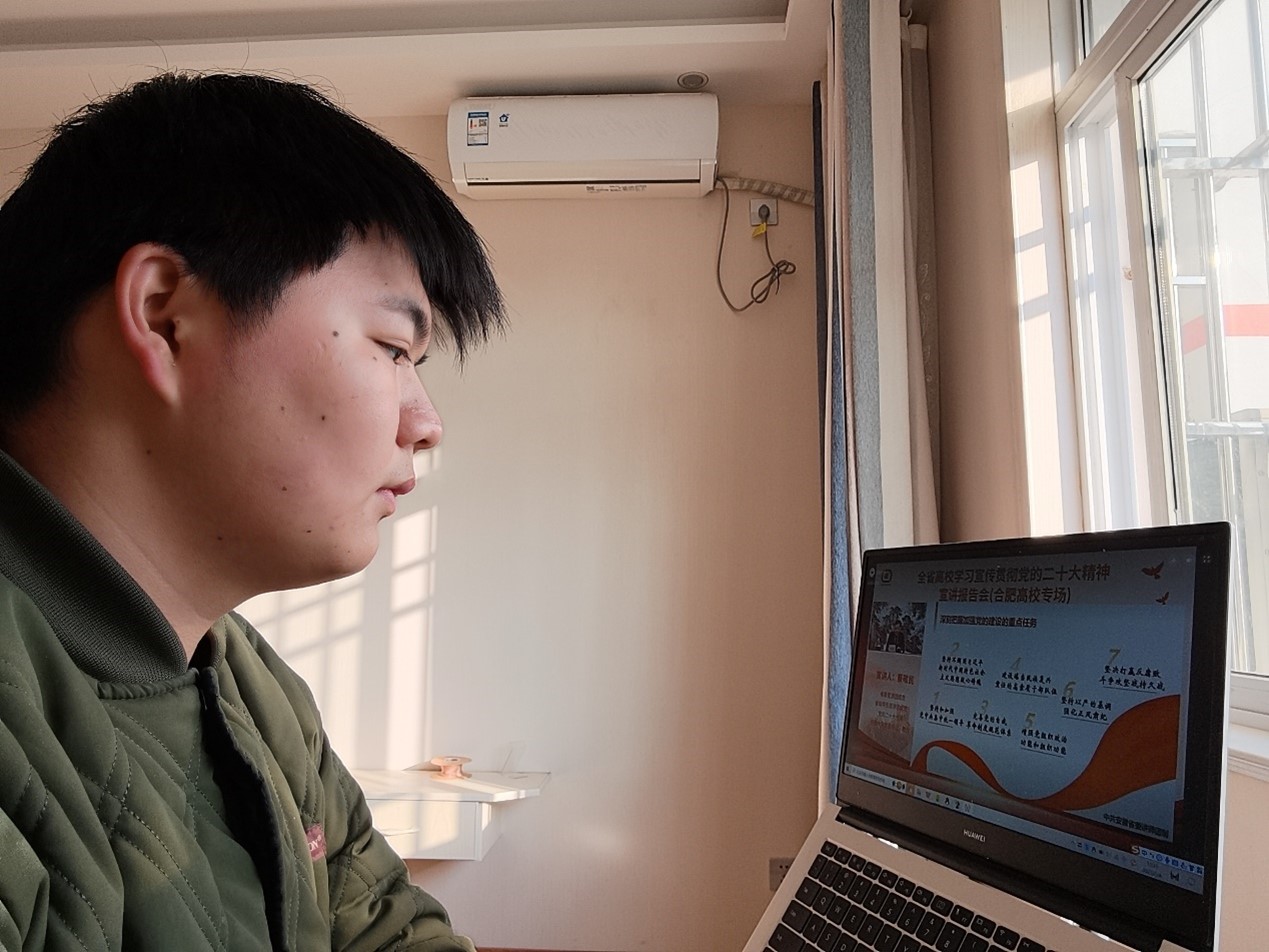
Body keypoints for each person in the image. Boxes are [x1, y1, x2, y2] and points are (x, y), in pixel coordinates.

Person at [0, 71, 505, 951]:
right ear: (164, 315)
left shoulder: (247, 683)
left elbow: (387, 931)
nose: (425, 424)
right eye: (393, 347)